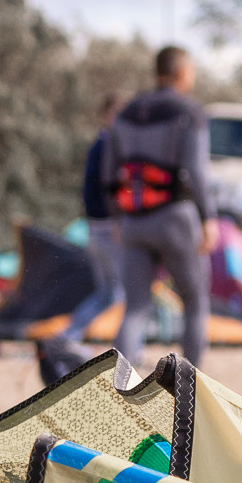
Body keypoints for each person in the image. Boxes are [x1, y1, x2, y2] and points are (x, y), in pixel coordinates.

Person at [100, 46, 217, 370]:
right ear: (182, 73)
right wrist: (209, 218)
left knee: (135, 306)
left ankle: (119, 386)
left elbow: (109, 173)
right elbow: (196, 169)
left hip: (134, 222)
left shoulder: (126, 113)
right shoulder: (189, 112)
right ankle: (192, 383)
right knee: (194, 302)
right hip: (175, 220)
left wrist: (117, 218)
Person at [50, 94, 128, 363]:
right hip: (107, 227)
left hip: (96, 227)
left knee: (107, 293)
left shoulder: (100, 144)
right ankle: (127, 350)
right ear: (106, 115)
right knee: (122, 293)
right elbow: (109, 189)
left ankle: (68, 335)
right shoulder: (109, 146)